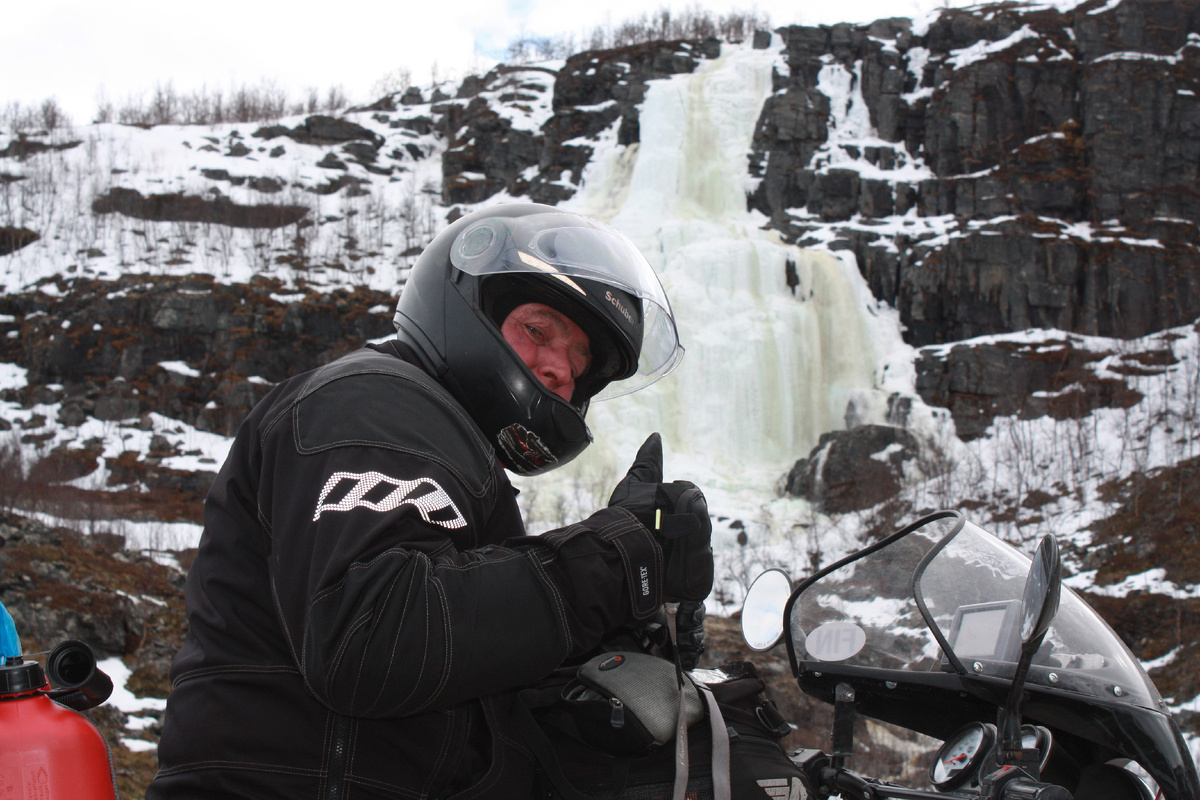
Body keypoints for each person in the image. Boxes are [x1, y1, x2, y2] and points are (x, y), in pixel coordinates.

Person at [146, 202, 714, 799]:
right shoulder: (376, 403)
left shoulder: (445, 452)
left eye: (579, 364)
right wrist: (610, 561)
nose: (558, 371)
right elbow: (372, 637)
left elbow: (457, 669)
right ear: (472, 311)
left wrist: (616, 632)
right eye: (539, 332)